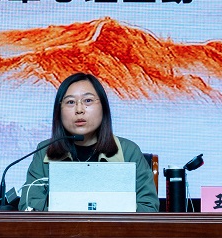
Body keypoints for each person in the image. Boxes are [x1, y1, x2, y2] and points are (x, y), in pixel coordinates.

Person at [18, 73, 159, 212]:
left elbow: (149, 208)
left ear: (103, 107)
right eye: (70, 102)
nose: (79, 110)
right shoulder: (44, 151)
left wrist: (113, 207)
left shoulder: (128, 152)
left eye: (88, 101)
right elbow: (29, 206)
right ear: (59, 111)